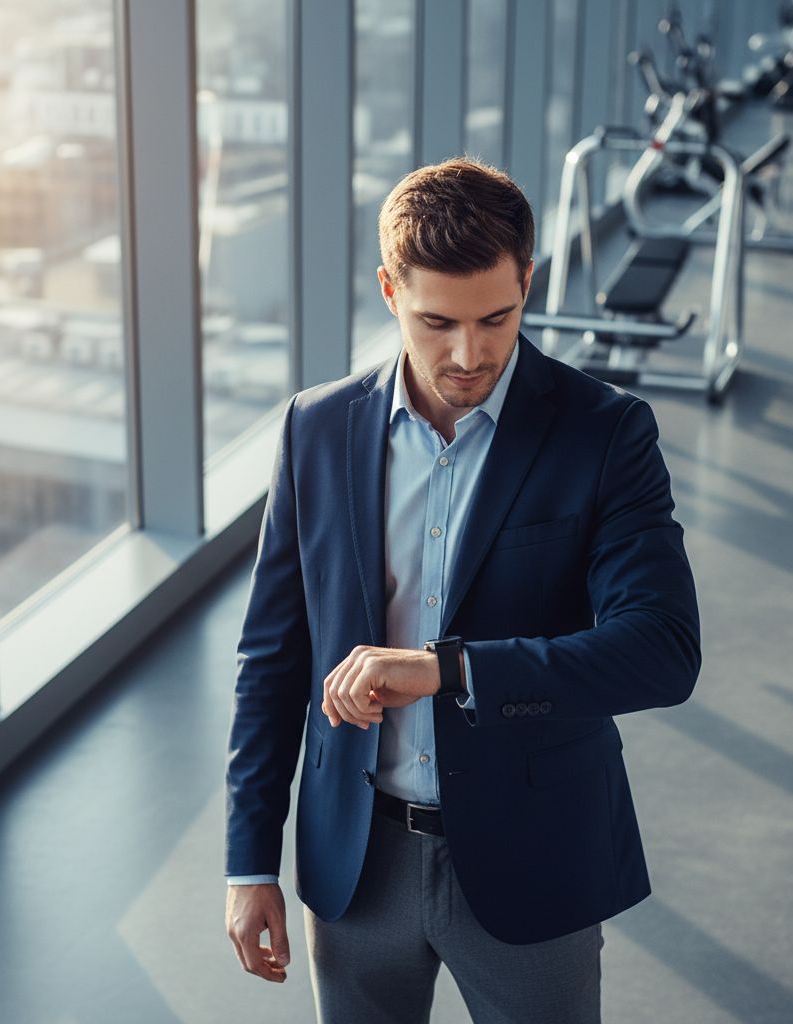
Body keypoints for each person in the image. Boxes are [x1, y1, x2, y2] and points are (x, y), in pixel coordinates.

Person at [224, 157, 701, 1024]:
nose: (470, 354)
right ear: (388, 290)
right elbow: (273, 657)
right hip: (356, 863)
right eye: (436, 321)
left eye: (498, 317)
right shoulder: (315, 429)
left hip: (534, 860)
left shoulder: (605, 434)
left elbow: (662, 651)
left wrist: (449, 670)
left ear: (529, 279)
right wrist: (249, 859)